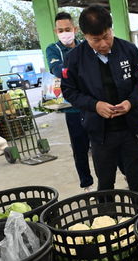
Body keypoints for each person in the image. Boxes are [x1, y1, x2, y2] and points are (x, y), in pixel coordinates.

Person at [61, 5, 138, 198]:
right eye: (96, 40)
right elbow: (69, 90)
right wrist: (95, 105)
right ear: (84, 35)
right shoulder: (74, 59)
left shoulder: (128, 50)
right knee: (106, 183)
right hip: (100, 134)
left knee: (136, 181)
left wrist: (130, 103)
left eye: (106, 36)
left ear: (111, 28)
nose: (103, 44)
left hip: (130, 130)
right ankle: (109, 222)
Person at [45, 11, 94, 192]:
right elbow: (57, 70)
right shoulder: (53, 50)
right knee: (79, 148)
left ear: (75, 29)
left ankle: (121, 173)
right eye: (60, 30)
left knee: (102, 143)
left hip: (92, 104)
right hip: (72, 108)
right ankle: (86, 184)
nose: (65, 33)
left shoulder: (86, 45)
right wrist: (80, 69)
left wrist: (72, 71)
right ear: (55, 31)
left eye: (67, 29)